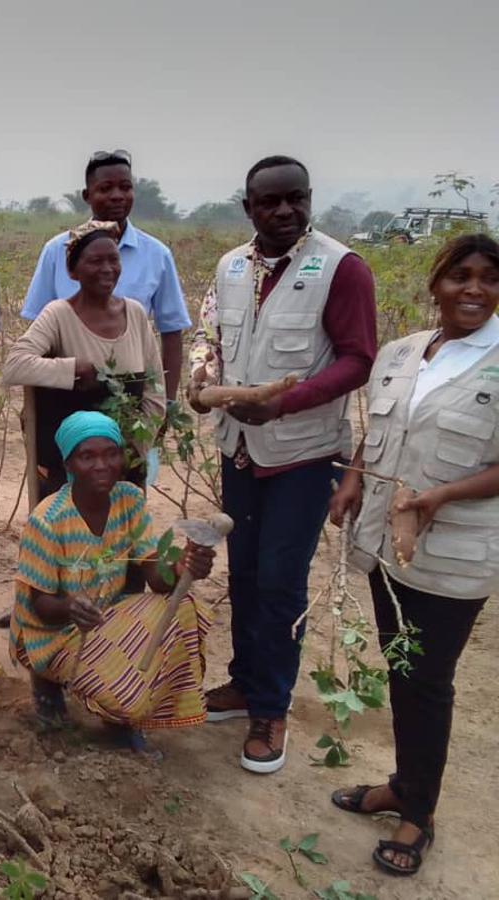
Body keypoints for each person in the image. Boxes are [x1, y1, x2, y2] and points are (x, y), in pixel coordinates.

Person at [186, 156, 377, 774]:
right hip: (239, 449)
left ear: (309, 199)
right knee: (241, 571)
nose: (284, 211)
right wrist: (202, 375)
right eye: (270, 202)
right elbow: (211, 336)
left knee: (279, 581)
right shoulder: (231, 266)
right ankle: (244, 683)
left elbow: (357, 360)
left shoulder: (342, 268)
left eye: (296, 199)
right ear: (249, 208)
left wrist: (285, 404)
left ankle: (272, 707)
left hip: (302, 453)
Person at [327, 233, 499, 877]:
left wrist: (440, 497)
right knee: (403, 667)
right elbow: (380, 432)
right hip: (386, 543)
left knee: (428, 680)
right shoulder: (402, 353)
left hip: (454, 554)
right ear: (436, 285)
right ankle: (403, 784)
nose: (474, 290)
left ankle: (417, 813)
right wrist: (351, 479)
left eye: (488, 278)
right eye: (461, 276)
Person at [9, 412, 215, 757]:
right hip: (51, 635)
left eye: (111, 453)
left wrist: (182, 568)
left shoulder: (129, 500)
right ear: (69, 464)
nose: (102, 465)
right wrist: (70, 607)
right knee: (122, 681)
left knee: (183, 607)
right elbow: (41, 608)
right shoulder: (47, 521)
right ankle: (51, 683)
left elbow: (154, 576)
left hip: (105, 618)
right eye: (87, 456)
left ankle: (121, 711)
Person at [4, 219, 166, 501]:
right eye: (95, 261)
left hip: (125, 467)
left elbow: (154, 393)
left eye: (113, 260)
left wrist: (129, 453)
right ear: (72, 270)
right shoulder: (58, 314)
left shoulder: (136, 314)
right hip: (67, 470)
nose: (107, 269)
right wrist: (69, 371)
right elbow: (15, 365)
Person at [21, 150, 191, 399]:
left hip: (132, 396)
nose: (117, 196)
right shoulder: (58, 250)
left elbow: (172, 332)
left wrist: (167, 403)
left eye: (125, 187)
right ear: (87, 196)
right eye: (105, 188)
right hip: (67, 392)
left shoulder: (157, 255)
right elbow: (36, 332)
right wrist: (36, 402)